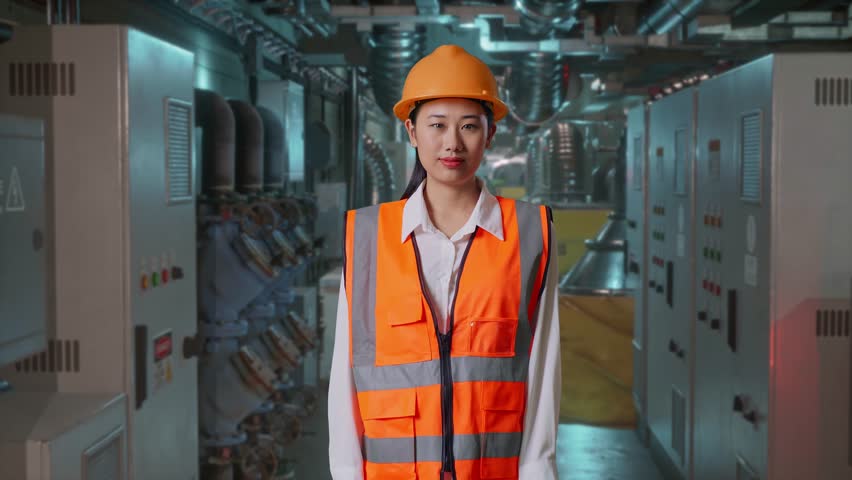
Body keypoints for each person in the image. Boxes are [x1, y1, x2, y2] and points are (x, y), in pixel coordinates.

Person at [328, 44, 561, 480]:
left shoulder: (530, 234)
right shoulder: (365, 236)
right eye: (437, 125)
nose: (452, 143)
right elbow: (344, 379)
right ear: (412, 132)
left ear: (489, 135)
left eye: (469, 126)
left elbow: (543, 375)